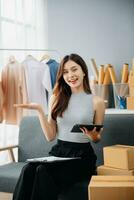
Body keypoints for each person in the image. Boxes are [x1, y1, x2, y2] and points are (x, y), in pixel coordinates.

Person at [13, 53, 105, 200]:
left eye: (74, 69)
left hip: (82, 157)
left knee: (42, 171)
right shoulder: (56, 98)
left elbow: (97, 138)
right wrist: (39, 111)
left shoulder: (97, 102)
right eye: (65, 72)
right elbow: (50, 136)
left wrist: (93, 135)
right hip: (59, 152)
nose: (71, 75)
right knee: (28, 169)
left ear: (83, 71)